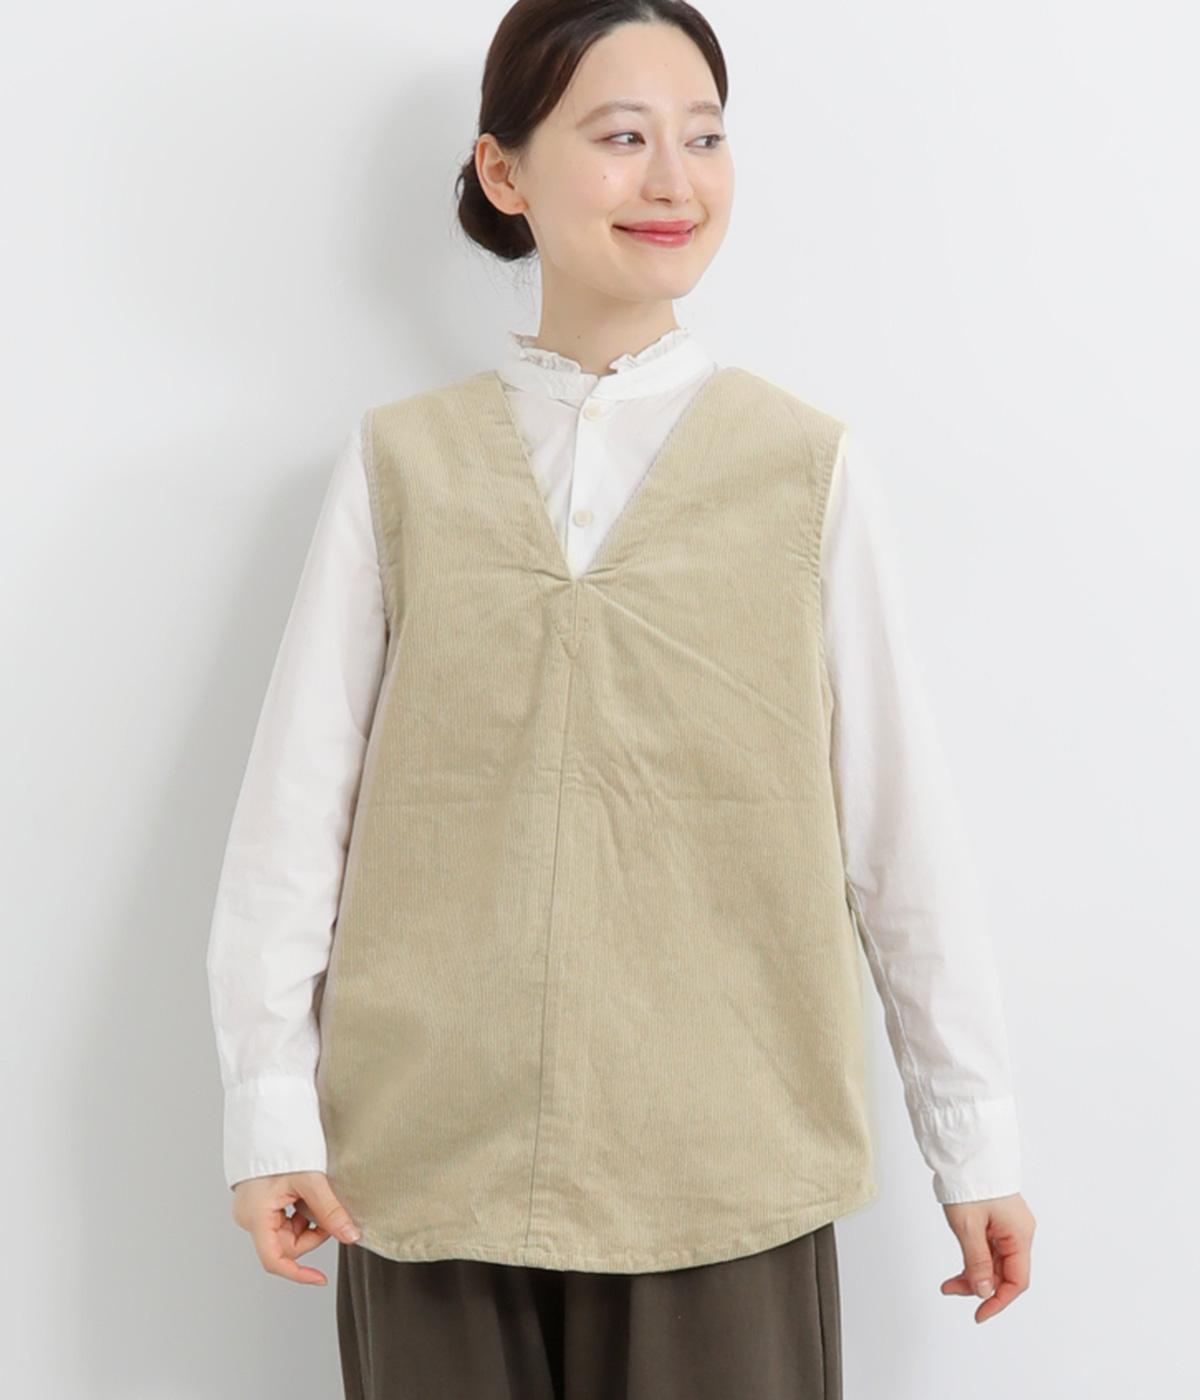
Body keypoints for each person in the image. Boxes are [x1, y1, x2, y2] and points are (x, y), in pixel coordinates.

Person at [205, 2, 1036, 1395]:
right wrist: (268, 1109)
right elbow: (294, 823)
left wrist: (975, 1142)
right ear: (505, 170)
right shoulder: (400, 468)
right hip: (428, 1166)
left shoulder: (804, 470)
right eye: (622, 136)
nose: (673, 180)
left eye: (704, 138)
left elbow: (900, 840)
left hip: (726, 1173)